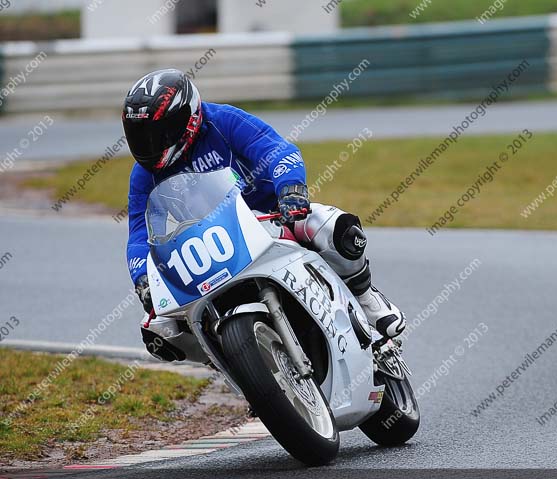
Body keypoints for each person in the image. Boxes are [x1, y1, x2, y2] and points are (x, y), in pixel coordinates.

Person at [123, 69, 405, 360]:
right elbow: (138, 234)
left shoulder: (223, 121)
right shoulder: (144, 174)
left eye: (159, 133)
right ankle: (242, 375)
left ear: (189, 117)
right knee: (159, 331)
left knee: (340, 230)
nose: (150, 144)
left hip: (271, 216)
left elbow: (278, 150)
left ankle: (365, 298)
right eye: (140, 135)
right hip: (209, 245)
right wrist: (142, 277)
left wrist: (291, 189)